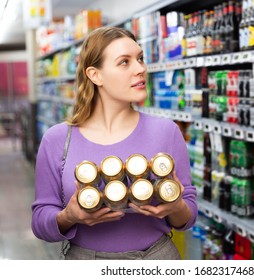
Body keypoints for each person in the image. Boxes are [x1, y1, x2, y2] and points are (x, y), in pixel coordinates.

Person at [31, 26, 198, 260]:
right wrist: (69, 216)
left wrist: (176, 206)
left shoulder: (166, 131)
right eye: (124, 62)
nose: (140, 69)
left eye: (140, 59)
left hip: (158, 259)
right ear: (95, 75)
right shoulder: (58, 139)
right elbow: (40, 222)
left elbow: (188, 217)